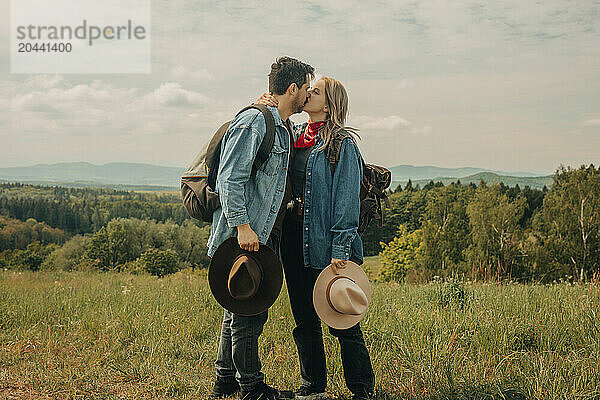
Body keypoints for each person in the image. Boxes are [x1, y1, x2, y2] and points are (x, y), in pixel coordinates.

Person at [258, 76, 375, 399]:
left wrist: (341, 247)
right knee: (303, 319)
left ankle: (361, 389)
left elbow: (346, 200)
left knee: (342, 319)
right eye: (308, 90)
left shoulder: (342, 143)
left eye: (316, 91)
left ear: (330, 104)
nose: (308, 94)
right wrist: (265, 104)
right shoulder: (293, 135)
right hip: (293, 239)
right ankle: (312, 386)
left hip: (327, 241)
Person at [207, 56, 314, 400]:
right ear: (292, 88)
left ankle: (224, 381)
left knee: (236, 305)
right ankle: (252, 388)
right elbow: (229, 178)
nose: (308, 95)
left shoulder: (279, 125)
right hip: (247, 235)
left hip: (262, 234)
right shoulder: (255, 122)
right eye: (306, 89)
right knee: (250, 314)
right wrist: (242, 226)